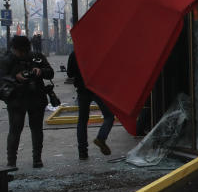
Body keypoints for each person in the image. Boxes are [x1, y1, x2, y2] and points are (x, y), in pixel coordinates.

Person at [1, 35, 54, 168]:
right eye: (20, 51)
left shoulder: (36, 56)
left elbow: (50, 73)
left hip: (36, 97)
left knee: (36, 129)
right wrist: (15, 77)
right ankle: (11, 161)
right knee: (15, 130)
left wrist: (40, 71)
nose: (22, 54)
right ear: (14, 49)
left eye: (25, 51)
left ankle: (37, 159)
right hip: (16, 99)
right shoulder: (6, 60)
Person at [67, 51, 115, 160]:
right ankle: (101, 138)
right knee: (109, 116)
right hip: (97, 89)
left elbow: (70, 74)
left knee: (82, 121)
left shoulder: (74, 53)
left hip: (82, 90)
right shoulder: (95, 50)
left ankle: (82, 152)